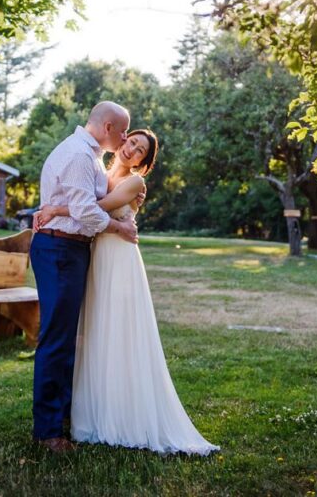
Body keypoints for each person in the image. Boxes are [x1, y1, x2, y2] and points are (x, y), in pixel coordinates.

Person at [35, 128, 219, 455]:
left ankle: (121, 413)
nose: (131, 149)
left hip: (119, 261)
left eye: (140, 151)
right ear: (122, 141)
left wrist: (54, 209)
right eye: (131, 141)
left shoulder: (135, 183)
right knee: (94, 332)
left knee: (118, 331)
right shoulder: (99, 171)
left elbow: (98, 206)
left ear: (144, 164)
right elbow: (86, 202)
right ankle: (87, 410)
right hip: (95, 259)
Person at [31, 101, 139, 454]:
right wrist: (119, 228)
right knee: (57, 339)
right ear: (108, 126)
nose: (125, 138)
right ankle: (48, 432)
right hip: (60, 249)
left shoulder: (88, 155)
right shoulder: (79, 155)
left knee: (66, 338)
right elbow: (85, 211)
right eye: (123, 131)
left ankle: (61, 416)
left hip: (70, 249)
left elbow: (80, 204)